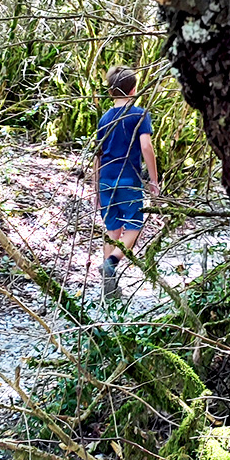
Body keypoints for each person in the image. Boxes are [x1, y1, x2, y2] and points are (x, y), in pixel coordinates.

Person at [94, 65, 160, 297]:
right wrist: (153, 180)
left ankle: (109, 289)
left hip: (105, 179)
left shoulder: (104, 118)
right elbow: (146, 146)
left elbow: (98, 154)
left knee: (112, 229)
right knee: (135, 225)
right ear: (133, 90)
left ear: (110, 91)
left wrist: (96, 187)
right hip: (128, 178)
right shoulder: (139, 114)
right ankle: (111, 262)